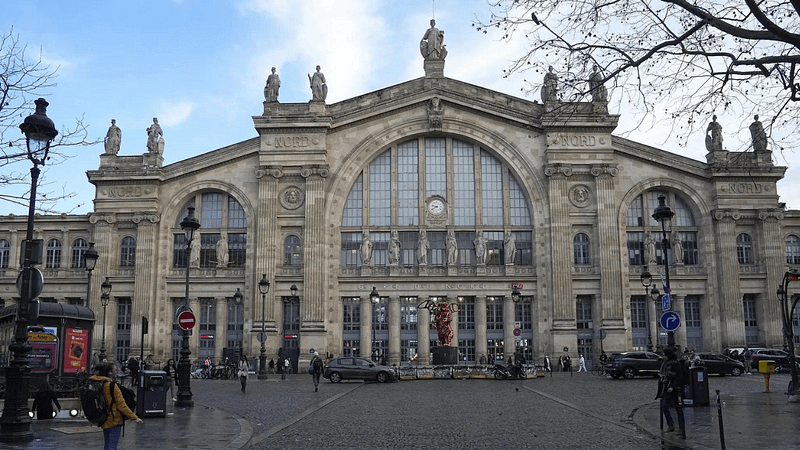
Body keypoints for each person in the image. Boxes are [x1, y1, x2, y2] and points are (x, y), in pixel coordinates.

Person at [90, 362, 143, 450]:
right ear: (109, 373)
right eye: (115, 370)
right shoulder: (112, 385)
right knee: (112, 447)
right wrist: (134, 417)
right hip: (114, 419)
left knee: (107, 445)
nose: (116, 372)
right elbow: (121, 405)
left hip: (104, 418)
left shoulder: (99, 382)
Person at [656, 348, 685, 438]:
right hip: (666, 389)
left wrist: (672, 386)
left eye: (664, 355)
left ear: (668, 355)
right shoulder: (664, 364)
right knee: (664, 405)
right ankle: (670, 424)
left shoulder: (675, 364)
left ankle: (681, 428)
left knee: (678, 409)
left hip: (675, 389)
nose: (663, 356)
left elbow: (679, 376)